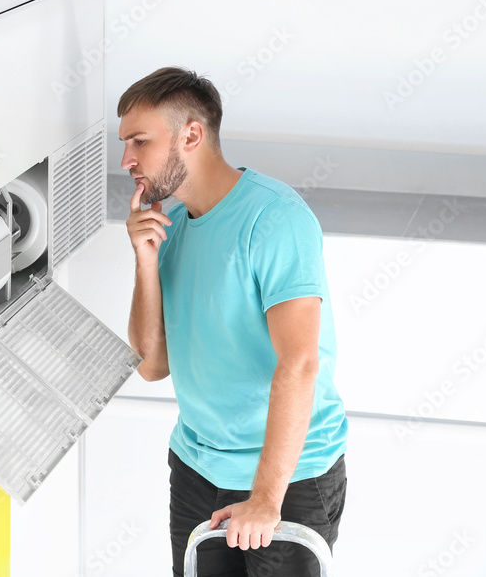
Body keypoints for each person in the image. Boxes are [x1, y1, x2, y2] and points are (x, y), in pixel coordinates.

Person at [119, 66, 348, 576]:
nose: (126, 160)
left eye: (139, 141)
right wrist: (144, 260)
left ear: (192, 135)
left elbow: (299, 363)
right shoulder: (169, 225)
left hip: (287, 477)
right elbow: (152, 364)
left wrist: (267, 498)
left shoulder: (275, 219)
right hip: (198, 468)